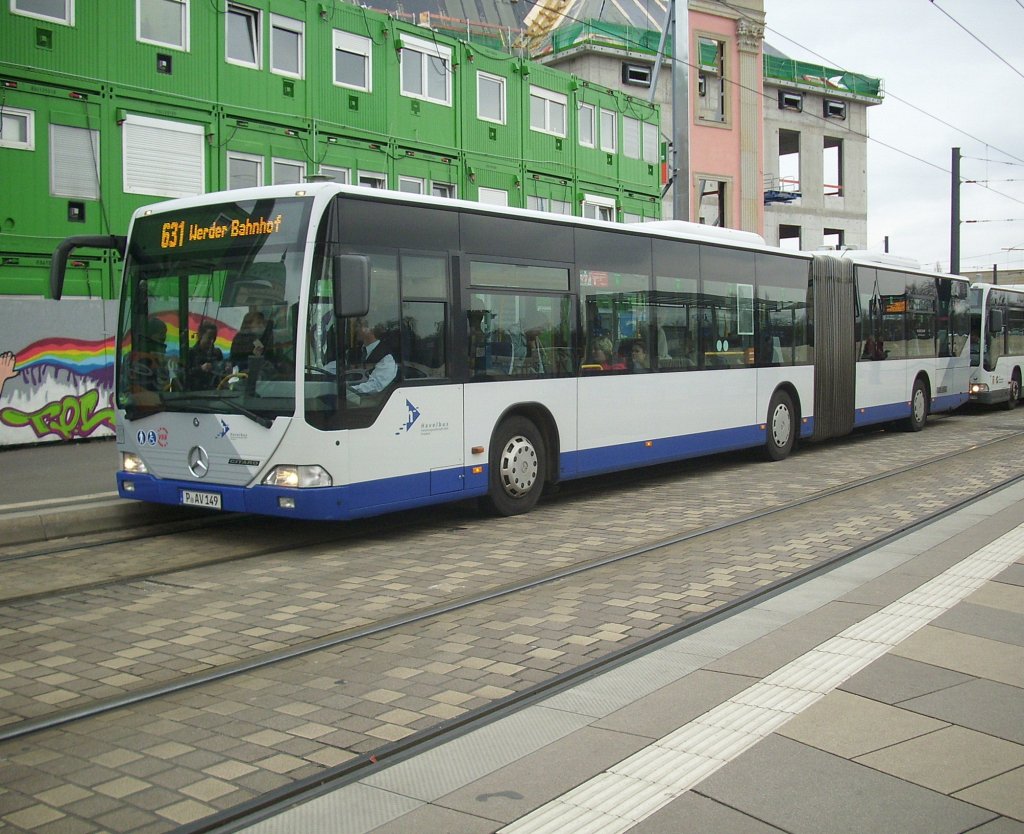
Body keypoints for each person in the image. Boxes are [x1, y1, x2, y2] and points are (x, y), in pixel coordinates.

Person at [349, 320, 397, 395]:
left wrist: (348, 391)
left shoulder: (386, 356)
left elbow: (376, 385)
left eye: (360, 326)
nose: (356, 329)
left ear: (371, 329)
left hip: (373, 401)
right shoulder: (355, 352)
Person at [188, 321, 223, 389]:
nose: (212, 341)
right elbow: (186, 374)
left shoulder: (217, 353)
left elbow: (221, 374)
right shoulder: (191, 353)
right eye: (209, 338)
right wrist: (201, 369)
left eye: (214, 338)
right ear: (201, 336)